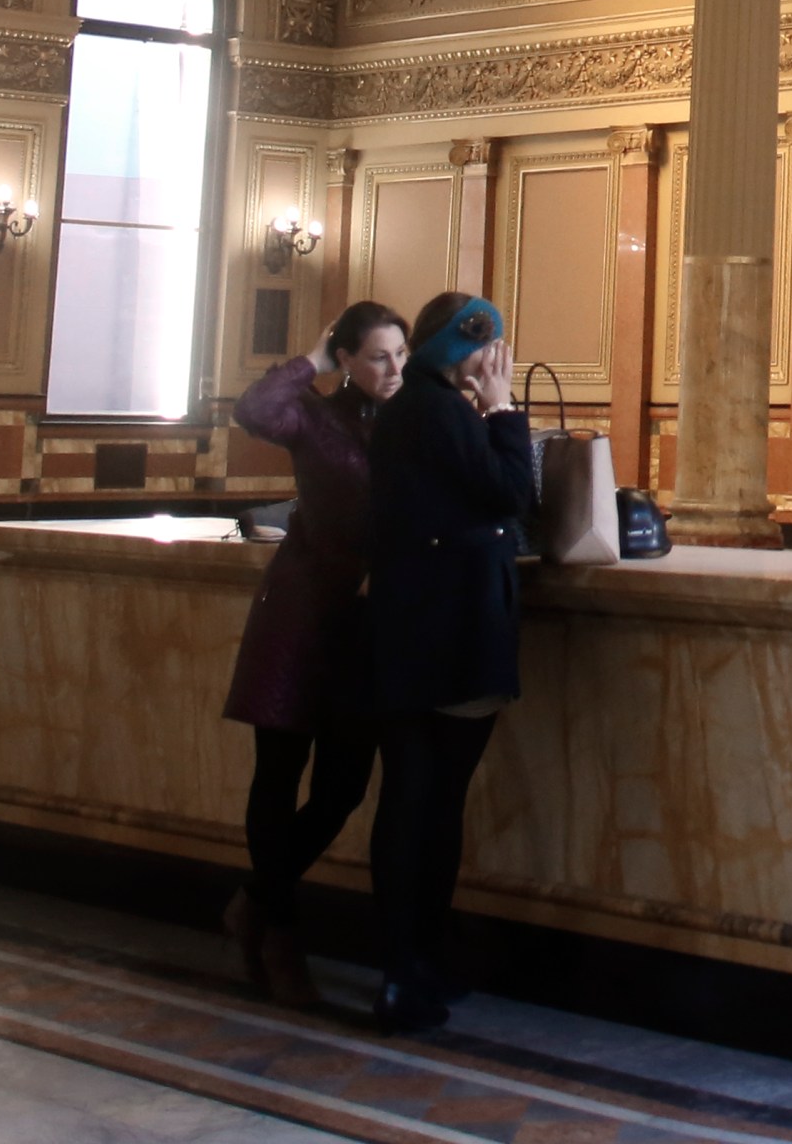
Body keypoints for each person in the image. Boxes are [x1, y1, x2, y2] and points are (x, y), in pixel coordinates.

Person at [221, 298, 404, 1004]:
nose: (391, 370)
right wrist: (314, 359)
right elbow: (255, 409)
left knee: (342, 787)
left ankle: (254, 903)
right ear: (349, 361)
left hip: (364, 624)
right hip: (299, 614)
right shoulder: (313, 415)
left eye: (400, 356)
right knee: (278, 771)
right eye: (376, 356)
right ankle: (279, 930)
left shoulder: (413, 419)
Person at [363, 287, 534, 1033]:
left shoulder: (407, 410)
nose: (490, 361)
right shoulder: (439, 409)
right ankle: (411, 965)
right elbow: (510, 492)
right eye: (485, 349)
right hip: (456, 631)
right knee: (431, 806)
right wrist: (501, 407)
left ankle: (406, 965)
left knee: (408, 797)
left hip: (405, 627)